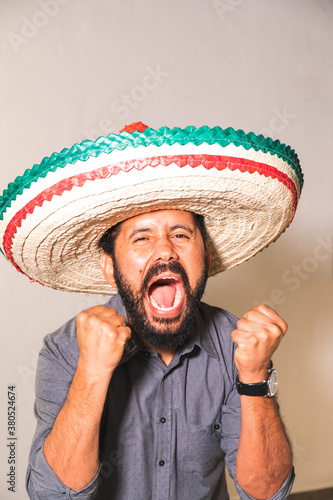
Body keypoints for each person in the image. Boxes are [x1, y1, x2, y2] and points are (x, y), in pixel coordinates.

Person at [0, 122, 303, 499]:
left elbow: (267, 494)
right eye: (142, 237)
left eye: (180, 234)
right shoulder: (65, 350)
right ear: (110, 267)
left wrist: (255, 378)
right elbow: (51, 495)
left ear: (205, 257)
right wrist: (92, 372)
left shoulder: (236, 347)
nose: (165, 251)